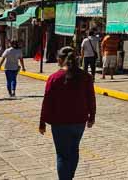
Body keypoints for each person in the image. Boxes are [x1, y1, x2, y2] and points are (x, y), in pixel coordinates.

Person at [39, 46, 96, 180]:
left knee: (62, 155)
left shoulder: (54, 78)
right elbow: (91, 98)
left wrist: (42, 122)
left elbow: (47, 101)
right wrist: (92, 117)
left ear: (60, 59)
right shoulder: (85, 77)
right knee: (74, 150)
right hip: (79, 121)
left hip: (60, 123)